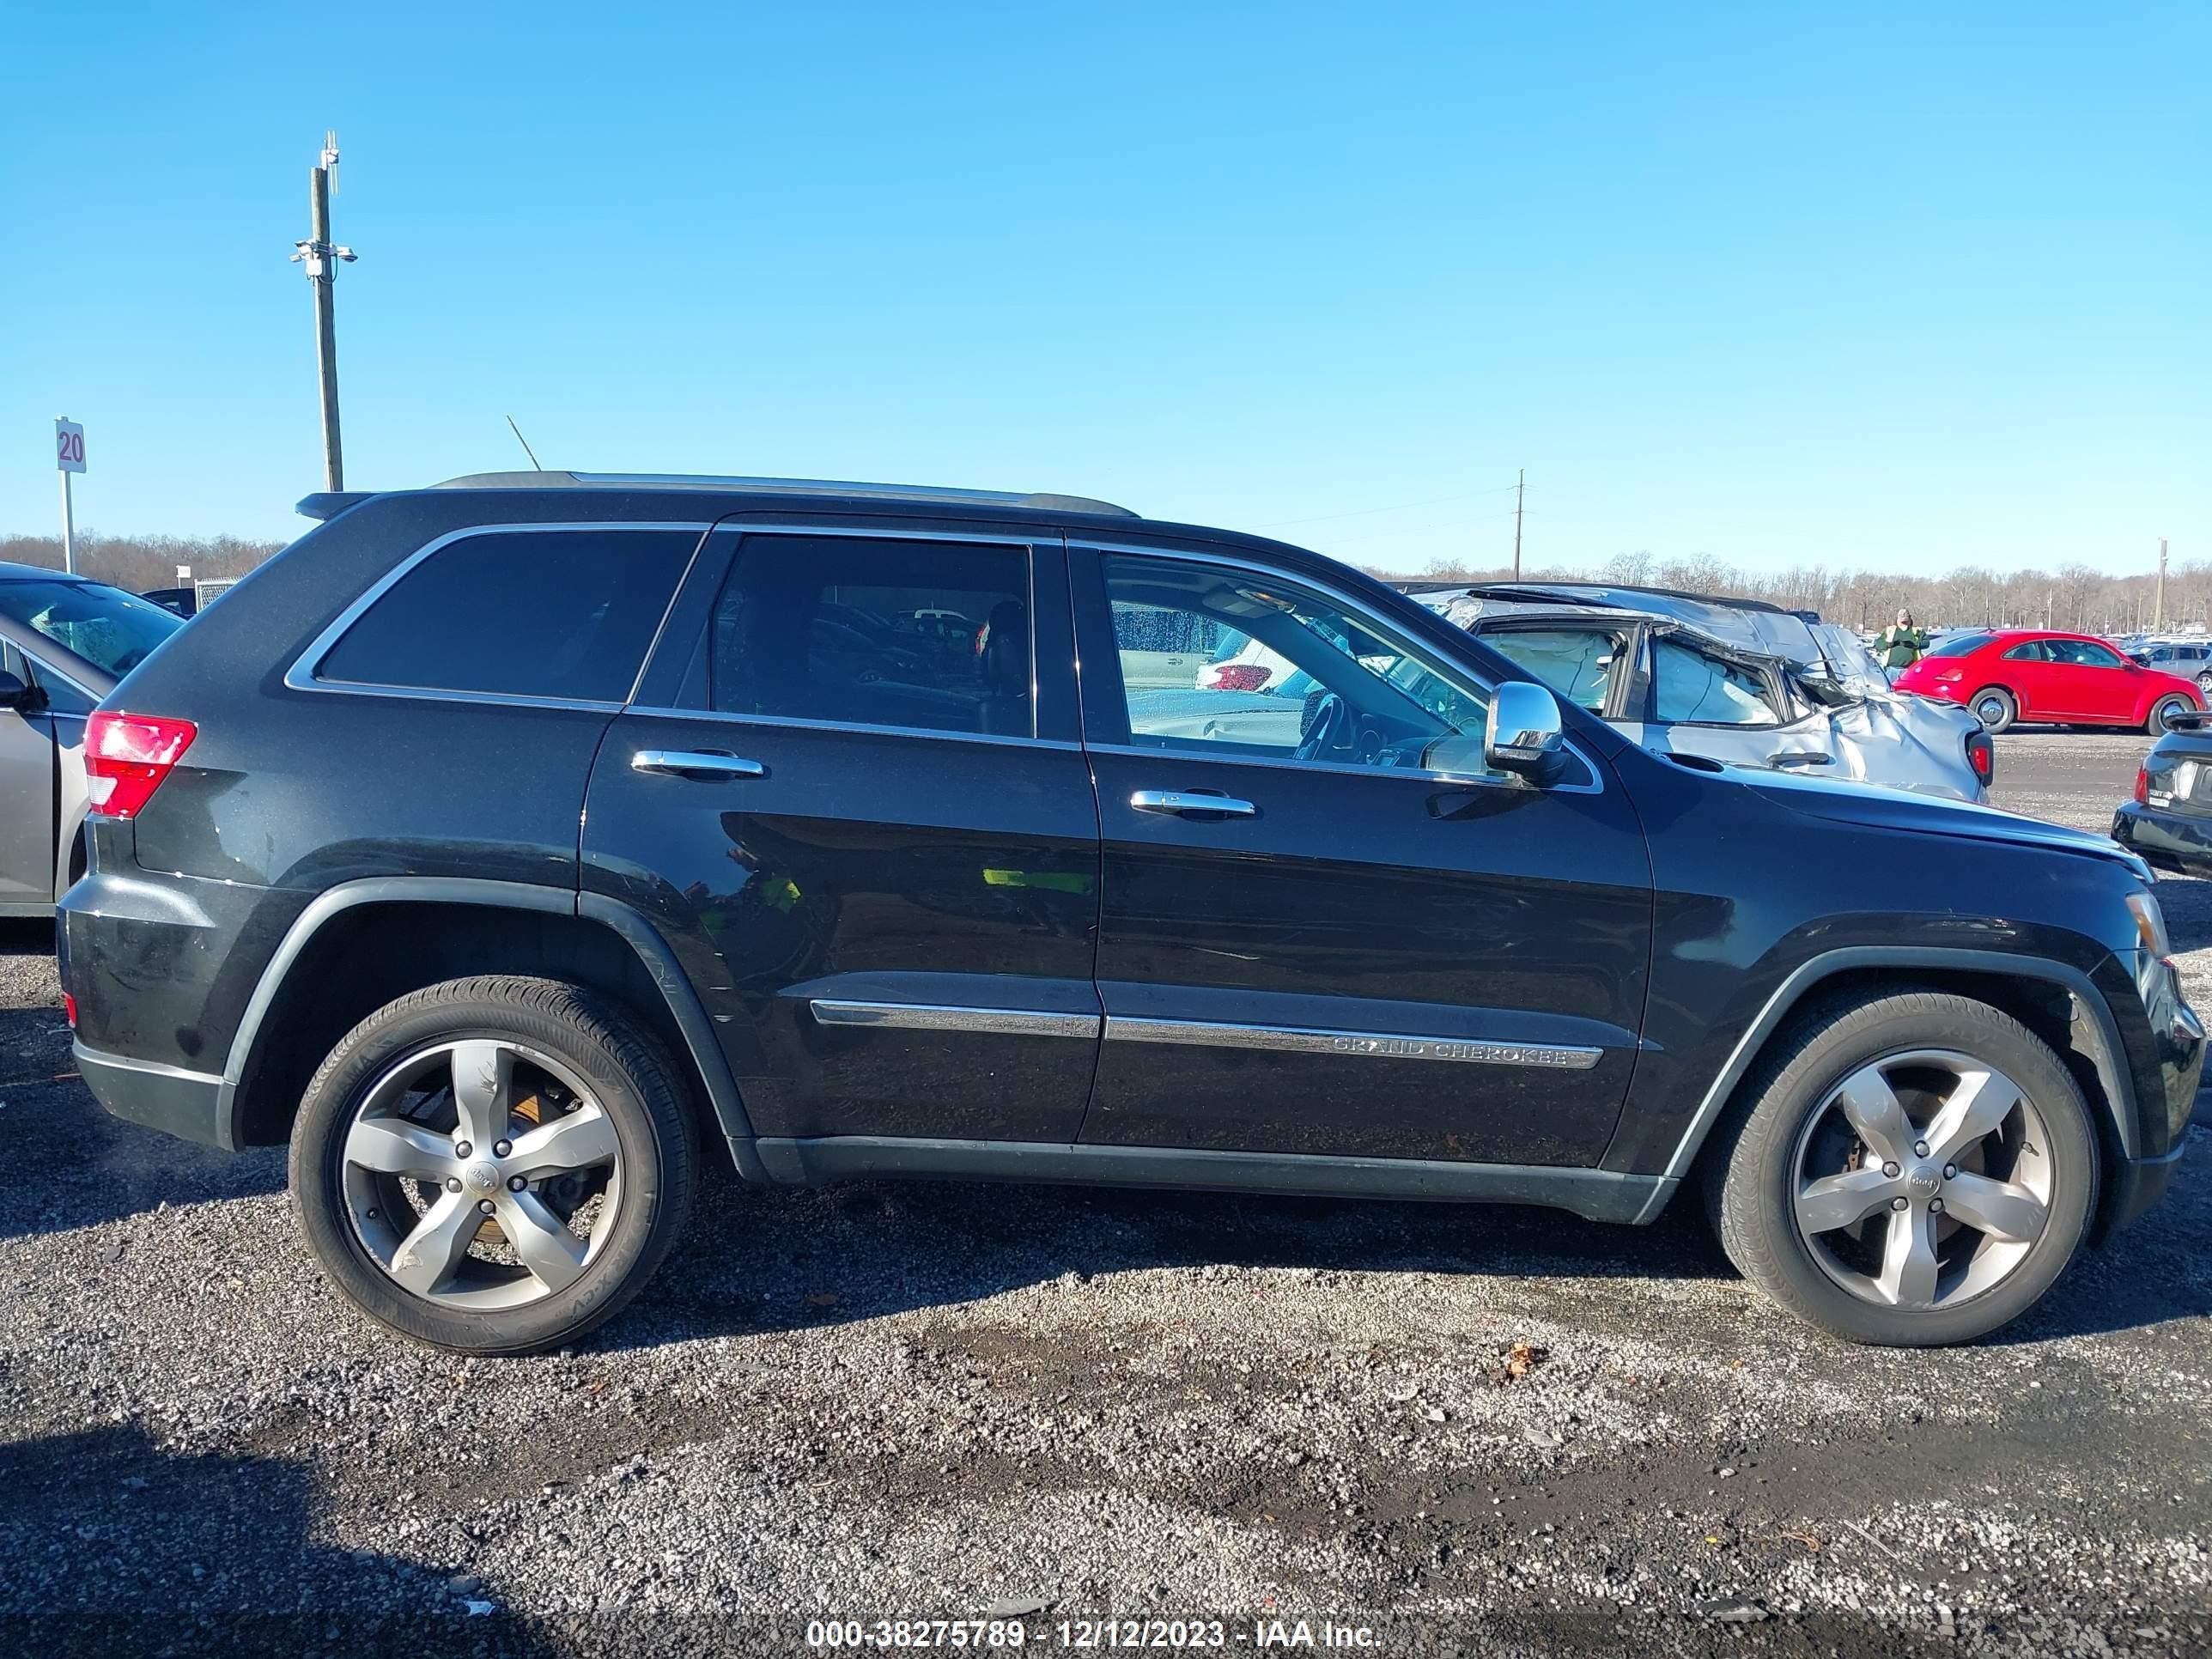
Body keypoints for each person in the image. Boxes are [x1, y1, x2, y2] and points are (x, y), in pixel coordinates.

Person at [1876, 608, 1928, 679]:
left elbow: (1926, 643)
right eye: (1902, 622)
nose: (1904, 623)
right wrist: (1889, 644)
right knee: (1892, 689)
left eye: (1906, 621)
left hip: (1909, 670)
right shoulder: (1890, 631)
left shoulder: (1917, 631)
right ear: (1897, 620)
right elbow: (1878, 644)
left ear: (1910, 619)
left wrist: (1914, 644)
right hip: (1891, 671)